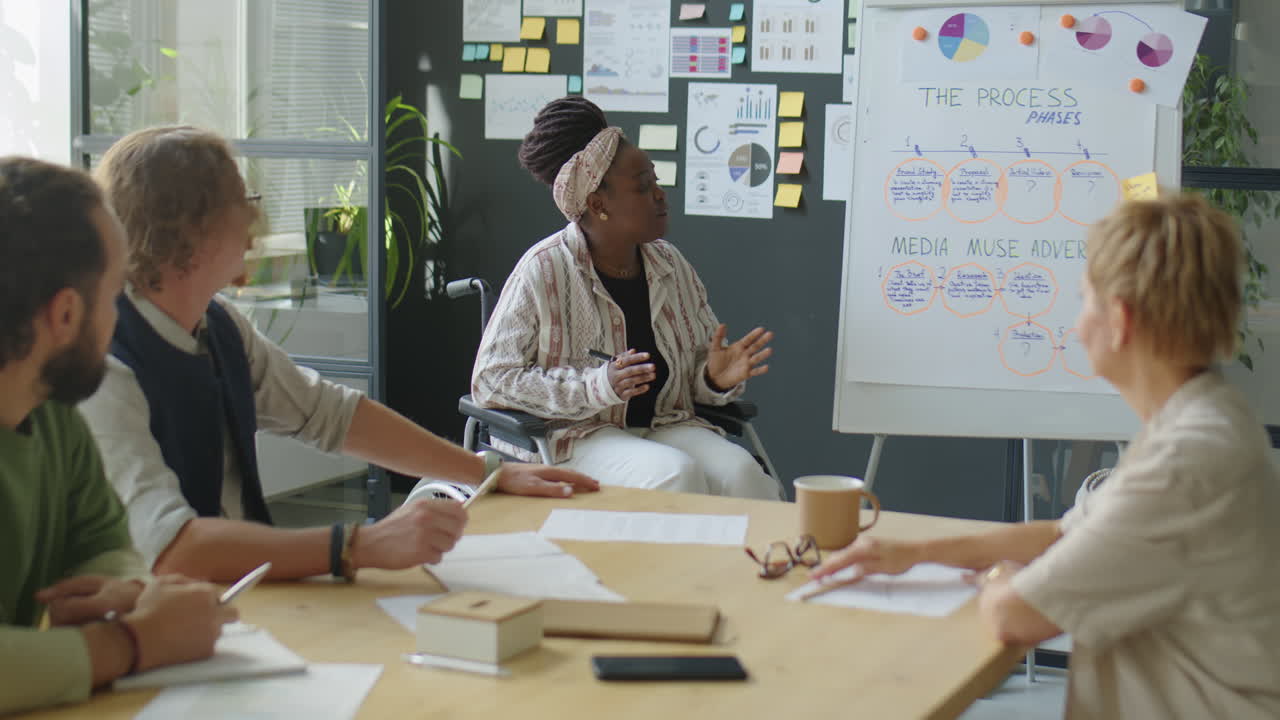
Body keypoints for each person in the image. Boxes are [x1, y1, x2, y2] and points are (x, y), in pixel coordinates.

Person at [810, 193, 1280, 719]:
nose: (1077, 327)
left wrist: (997, 574)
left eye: (1084, 301)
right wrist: (916, 554)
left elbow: (1015, 615)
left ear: (1120, 320)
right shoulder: (1203, 417)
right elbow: (1063, 535)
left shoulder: (1187, 462)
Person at [79, 126, 598, 584]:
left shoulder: (217, 326)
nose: (255, 217)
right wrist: (359, 545)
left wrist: (485, 471)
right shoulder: (102, 368)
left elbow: (326, 413)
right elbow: (171, 552)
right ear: (189, 232)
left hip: (238, 597)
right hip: (151, 625)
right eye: (243, 200)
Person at [0, 156, 235, 714]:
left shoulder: (53, 412)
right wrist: (133, 642)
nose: (119, 319)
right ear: (64, 315)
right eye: (112, 298)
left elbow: (105, 544)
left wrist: (122, 592)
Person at [470, 97, 779, 500]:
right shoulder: (544, 269)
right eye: (643, 186)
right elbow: (490, 380)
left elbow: (694, 378)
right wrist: (596, 386)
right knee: (674, 475)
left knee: (744, 474)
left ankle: (762, 564)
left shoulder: (671, 265)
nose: (660, 195)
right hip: (573, 437)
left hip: (663, 424)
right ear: (598, 204)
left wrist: (712, 377)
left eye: (656, 180)